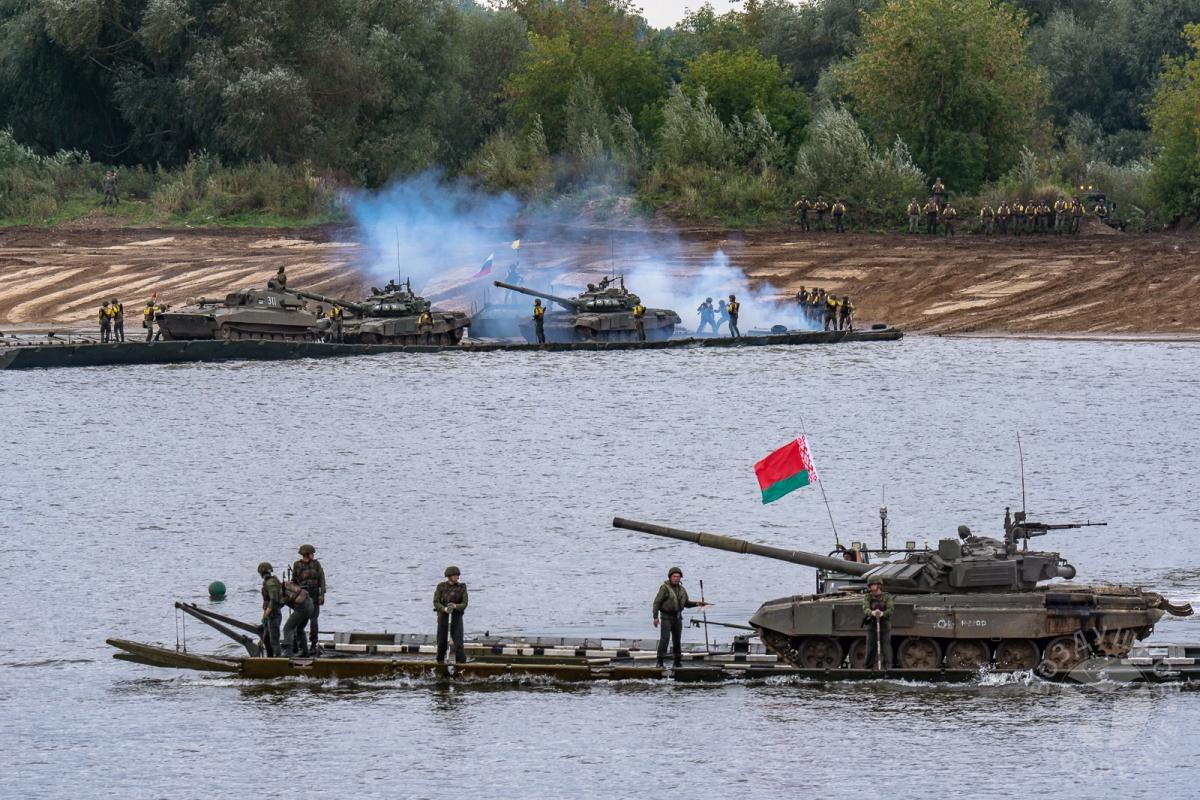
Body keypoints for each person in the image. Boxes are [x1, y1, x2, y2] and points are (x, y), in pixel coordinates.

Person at [652, 566, 710, 668]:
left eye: (678, 577)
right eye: (674, 576)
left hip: (678, 617)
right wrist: (655, 617)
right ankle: (660, 661)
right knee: (665, 639)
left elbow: (686, 603)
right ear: (670, 577)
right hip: (666, 617)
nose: (676, 578)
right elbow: (657, 602)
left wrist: (698, 603)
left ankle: (677, 661)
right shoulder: (664, 588)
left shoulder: (682, 589)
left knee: (677, 640)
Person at [292, 544, 326, 656]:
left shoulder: (316, 564)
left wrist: (322, 594)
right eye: (312, 553)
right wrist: (293, 597)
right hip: (303, 597)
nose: (313, 555)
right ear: (307, 554)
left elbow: (322, 579)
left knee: (314, 621)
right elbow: (294, 582)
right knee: (299, 622)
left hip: (315, 595)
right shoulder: (297, 565)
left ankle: (313, 644)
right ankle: (299, 644)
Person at [433, 566, 469, 664]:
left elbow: (464, 604)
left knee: (458, 645)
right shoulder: (441, 587)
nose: (458, 577)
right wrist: (444, 609)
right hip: (443, 618)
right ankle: (439, 663)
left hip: (456, 619)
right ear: (449, 576)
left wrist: (455, 606)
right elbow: (436, 602)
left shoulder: (462, 587)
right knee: (441, 644)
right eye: (455, 575)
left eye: (458, 575)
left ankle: (461, 665)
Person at [862, 577, 894, 670]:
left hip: (884, 624)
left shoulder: (887, 596)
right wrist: (872, 612)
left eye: (874, 584)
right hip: (872, 624)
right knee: (870, 647)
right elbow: (865, 607)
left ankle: (888, 668)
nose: (872, 586)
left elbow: (891, 609)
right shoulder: (868, 597)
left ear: (879, 585)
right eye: (871, 585)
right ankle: (868, 667)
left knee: (886, 647)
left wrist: (882, 613)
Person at [280, 575, 312, 657]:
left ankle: (289, 651)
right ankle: (305, 652)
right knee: (300, 629)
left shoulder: (280, 591)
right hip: (310, 605)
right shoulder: (289, 585)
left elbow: (278, 604)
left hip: (302, 608)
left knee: (287, 628)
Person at [259, 562, 284, 657]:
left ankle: (278, 659)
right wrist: (265, 615)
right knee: (266, 638)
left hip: (274, 614)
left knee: (274, 639)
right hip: (270, 614)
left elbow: (273, 600)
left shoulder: (271, 583)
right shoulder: (269, 582)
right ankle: (269, 656)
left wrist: (267, 613)